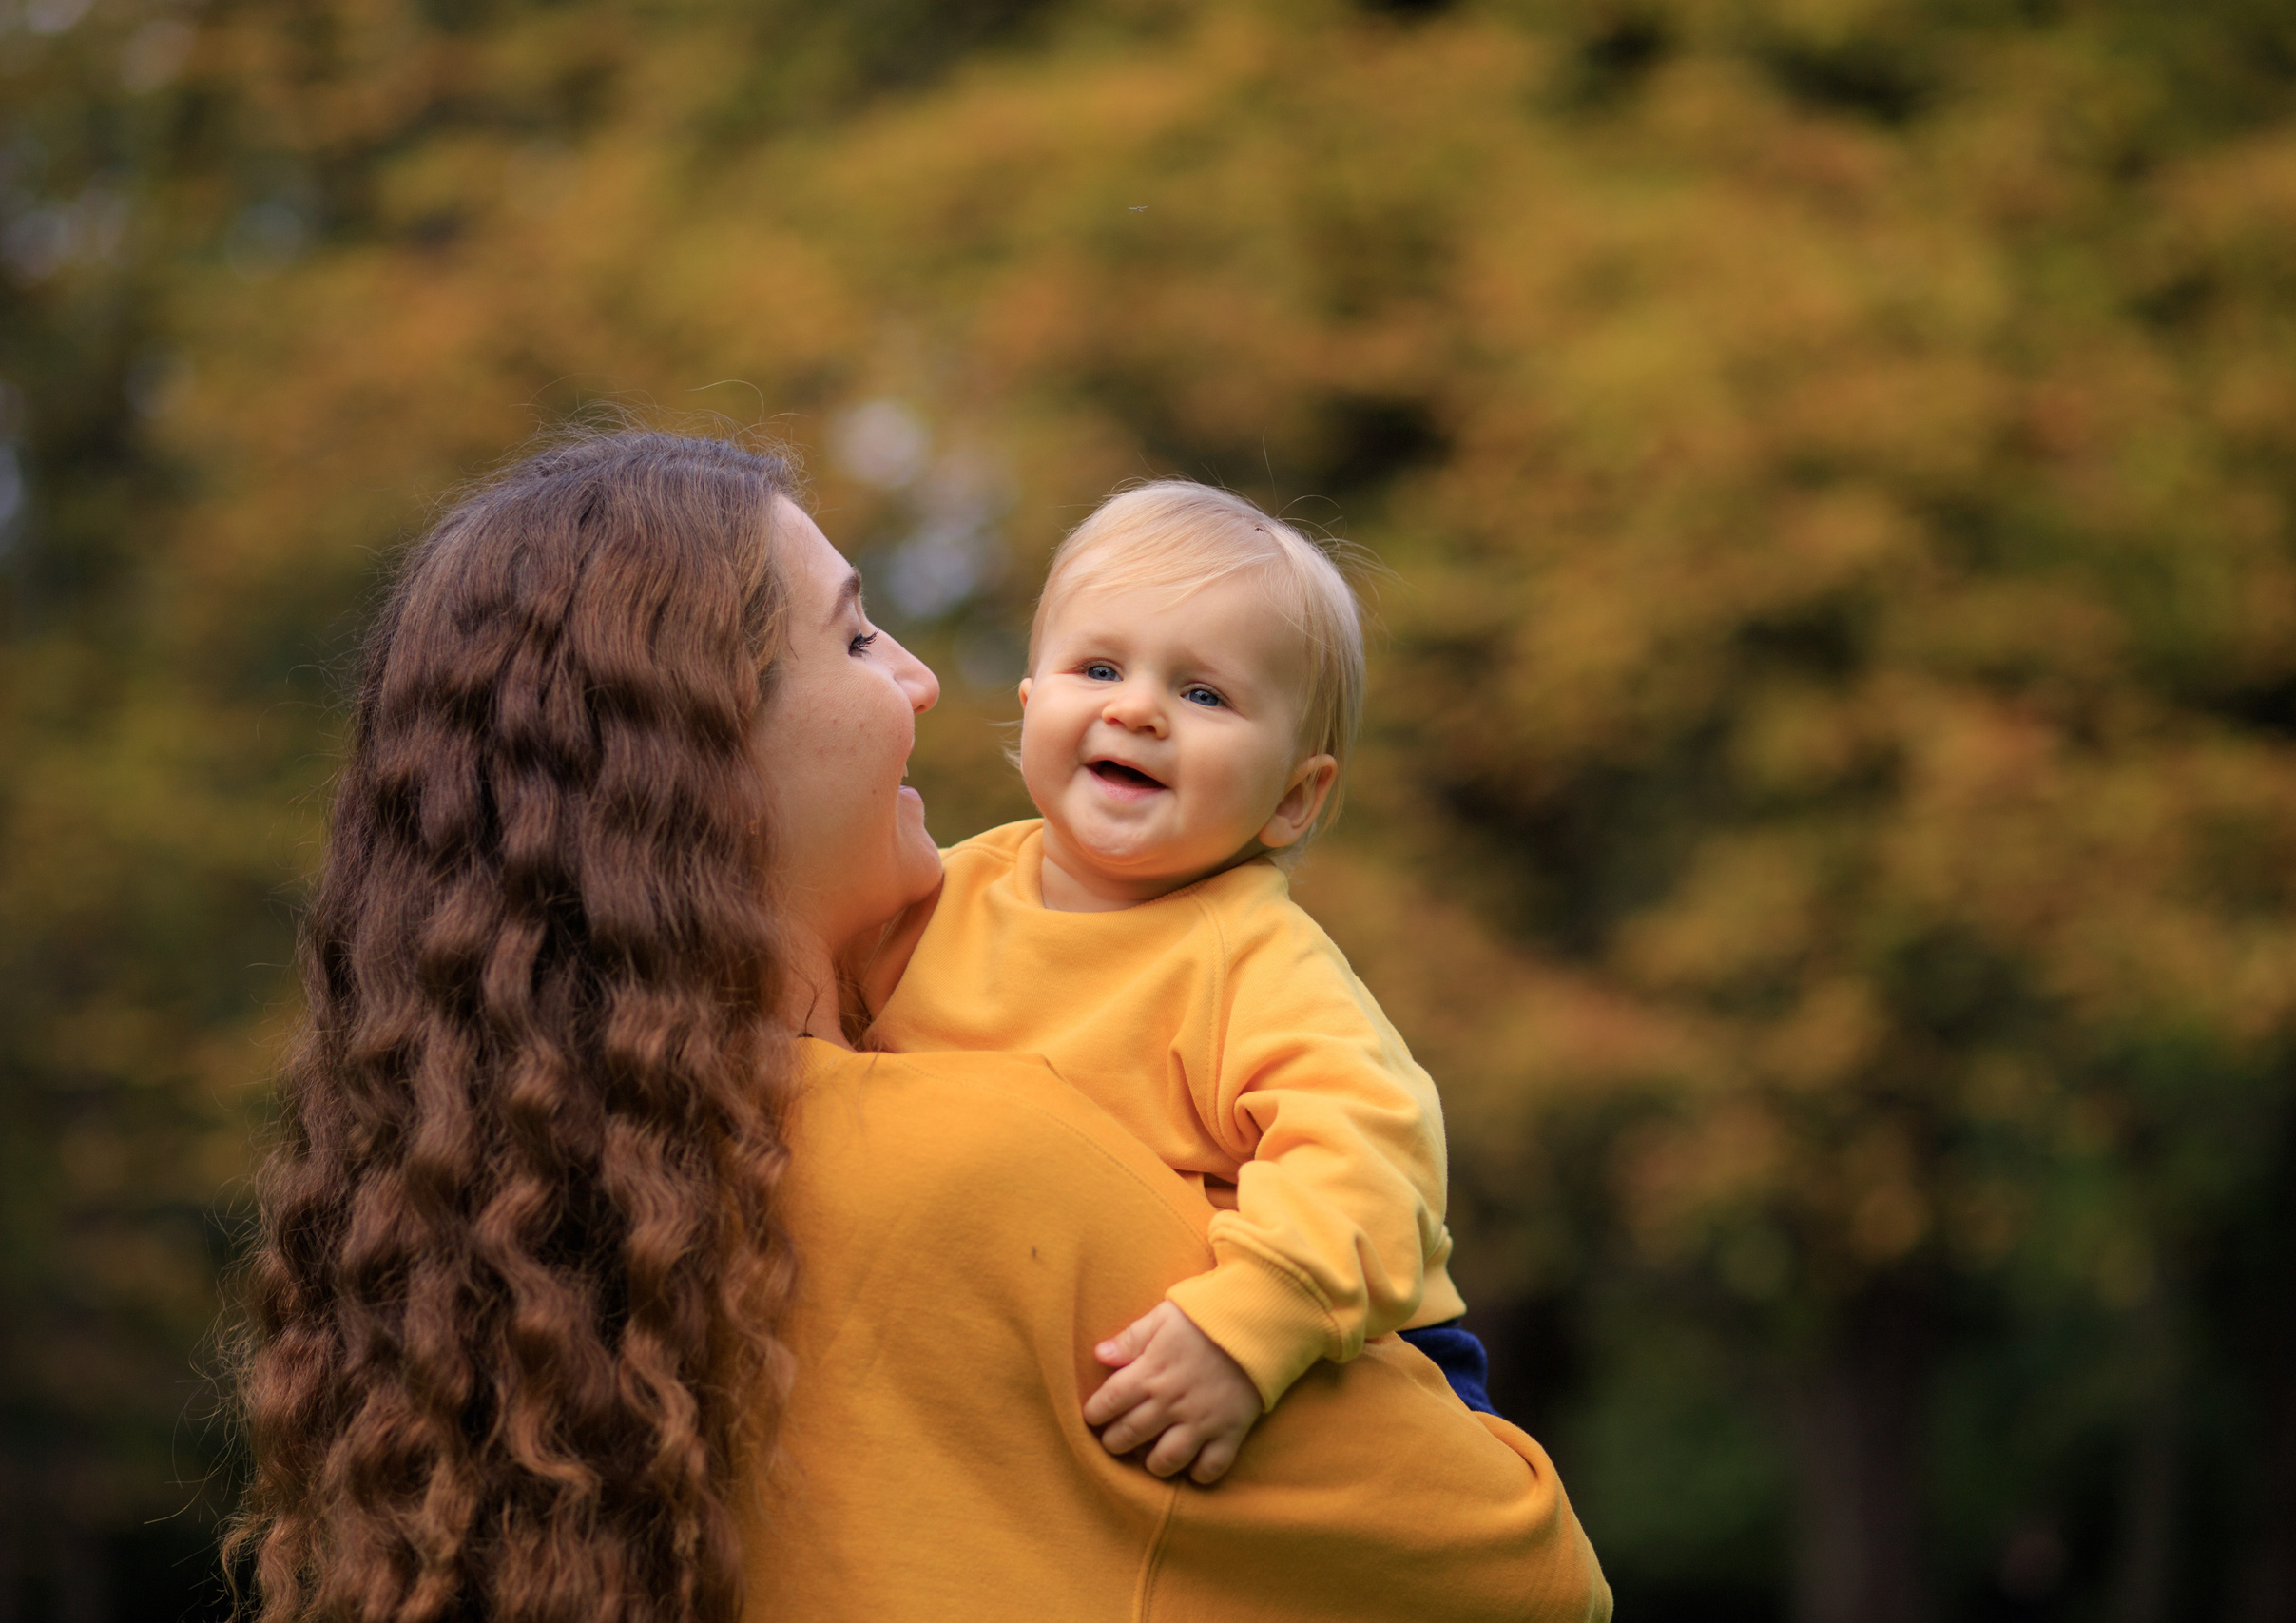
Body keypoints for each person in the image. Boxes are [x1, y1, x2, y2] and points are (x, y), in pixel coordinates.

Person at [227, 430, 1610, 1623]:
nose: (921, 678)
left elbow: (1362, 1129)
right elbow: (1534, 1574)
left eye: (1202, 692)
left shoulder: (574, 1212)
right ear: (710, 751)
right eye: (854, 633)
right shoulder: (994, 1161)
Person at [862, 483, 1494, 1490]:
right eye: (1098, 666)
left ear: (1293, 797)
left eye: (1203, 695)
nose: (1136, 708)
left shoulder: (1252, 959)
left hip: (1320, 1334)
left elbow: (1372, 1163)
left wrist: (1245, 1327)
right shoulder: (939, 896)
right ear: (1030, 709)